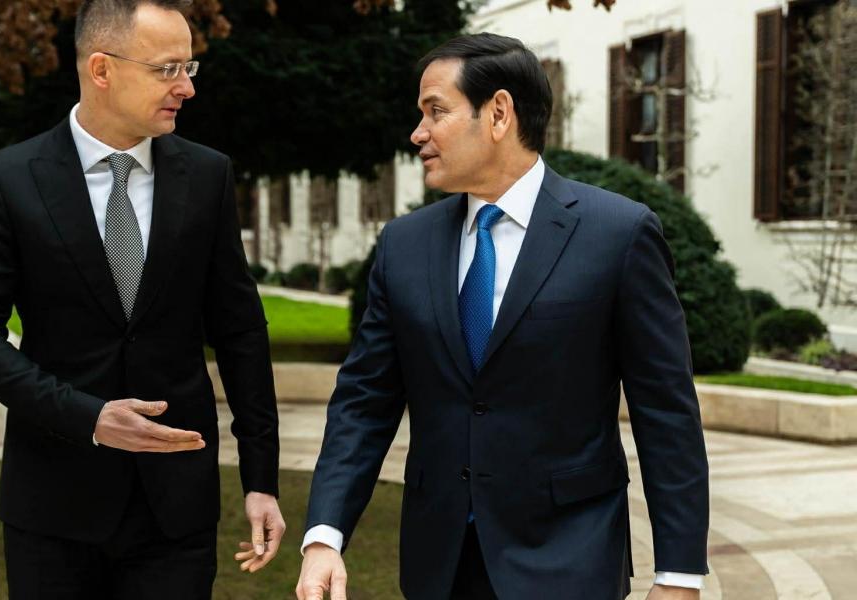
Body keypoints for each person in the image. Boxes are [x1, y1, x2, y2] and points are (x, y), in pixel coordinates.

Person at [295, 33, 709, 600]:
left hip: (571, 559)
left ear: (498, 113)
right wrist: (324, 535)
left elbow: (666, 412)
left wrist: (678, 575)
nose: (418, 133)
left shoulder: (619, 233)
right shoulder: (403, 244)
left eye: (435, 111)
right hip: (439, 564)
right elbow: (364, 402)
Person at [0, 1, 285, 597]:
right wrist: (89, 417)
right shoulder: (9, 178)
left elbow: (240, 332)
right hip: (52, 506)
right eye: (167, 69)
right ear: (101, 69)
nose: (186, 87)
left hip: (176, 509)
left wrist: (261, 479)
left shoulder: (208, 175)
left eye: (189, 68)